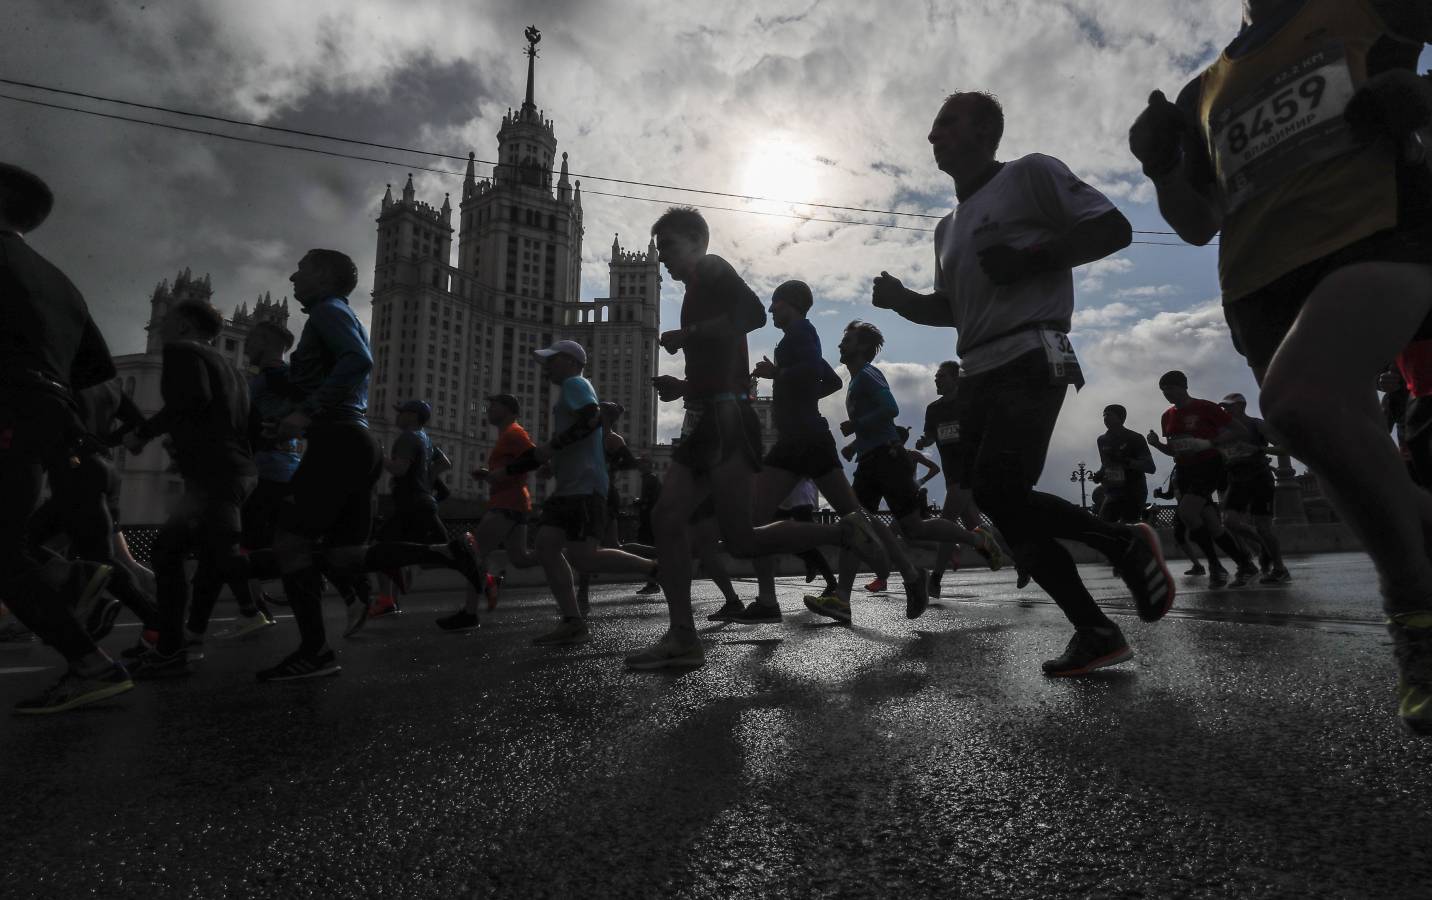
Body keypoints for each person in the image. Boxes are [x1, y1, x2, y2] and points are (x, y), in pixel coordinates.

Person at [1130, 0, 1432, 731]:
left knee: (1297, 403)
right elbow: (1197, 222)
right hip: (1259, 288)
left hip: (1378, 239)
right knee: (1363, 473)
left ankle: (1417, 628)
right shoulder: (1207, 86)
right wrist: (1161, 165)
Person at [873, 91, 1174, 677]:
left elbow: (1113, 228)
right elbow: (954, 308)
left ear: (987, 131)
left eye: (946, 124)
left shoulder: (1031, 173)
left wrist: (1032, 256)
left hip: (1036, 351)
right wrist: (906, 303)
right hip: (979, 367)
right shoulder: (945, 227)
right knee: (1001, 503)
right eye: (931, 128)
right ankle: (1096, 627)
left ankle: (1121, 548)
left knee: (1000, 489)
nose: (933, 136)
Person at [633, 209, 887, 669]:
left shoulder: (711, 269)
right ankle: (846, 530)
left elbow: (750, 314)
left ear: (694, 241)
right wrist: (683, 387)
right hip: (713, 413)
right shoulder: (696, 290)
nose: (662, 257)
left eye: (667, 245)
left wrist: (687, 334)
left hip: (727, 420)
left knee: (693, 524)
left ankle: (684, 636)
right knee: (724, 535)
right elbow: (723, 367)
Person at [256, 250, 485, 681]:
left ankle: (314, 651)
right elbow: (329, 374)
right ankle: (446, 552)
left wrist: (307, 413)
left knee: (290, 543)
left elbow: (359, 361)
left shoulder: (327, 311)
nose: (292, 274)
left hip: (337, 442)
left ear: (324, 276)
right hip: (353, 442)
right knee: (345, 555)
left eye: (302, 269)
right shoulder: (334, 313)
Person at [0, 162, 133, 714]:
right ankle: (72, 597)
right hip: (44, 411)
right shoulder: (63, 283)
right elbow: (97, 375)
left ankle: (88, 654)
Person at [735, 279, 919, 625]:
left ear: (788, 303)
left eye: (775, 303)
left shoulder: (800, 333)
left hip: (798, 439)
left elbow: (805, 373)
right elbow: (830, 381)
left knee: (755, 517)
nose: (771, 310)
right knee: (858, 514)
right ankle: (910, 574)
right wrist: (797, 393)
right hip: (812, 435)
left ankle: (768, 600)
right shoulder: (803, 336)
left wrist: (778, 375)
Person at [823, 321, 1004, 621]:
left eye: (848, 340)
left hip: (888, 459)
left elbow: (890, 409)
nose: (841, 345)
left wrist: (857, 426)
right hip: (871, 459)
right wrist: (856, 445)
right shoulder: (857, 380)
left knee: (913, 528)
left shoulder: (868, 375)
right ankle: (842, 598)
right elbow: (881, 424)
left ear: (863, 348)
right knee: (854, 526)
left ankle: (978, 539)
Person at [123, 301, 257, 678]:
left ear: (183, 325)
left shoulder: (181, 352)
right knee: (201, 554)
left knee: (174, 554)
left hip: (213, 475)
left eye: (166, 321)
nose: (160, 327)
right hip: (237, 471)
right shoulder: (232, 368)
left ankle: (174, 646)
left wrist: (143, 433)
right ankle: (179, 643)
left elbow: (189, 402)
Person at [505, 340, 658, 645]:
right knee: (548, 546)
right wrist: (550, 461)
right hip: (571, 487)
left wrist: (552, 448)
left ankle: (656, 569)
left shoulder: (576, 383)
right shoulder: (568, 393)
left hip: (585, 488)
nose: (546, 366)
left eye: (553, 360)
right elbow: (580, 434)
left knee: (584, 557)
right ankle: (572, 620)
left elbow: (591, 419)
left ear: (573, 362)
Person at [436, 393, 540, 631]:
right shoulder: (507, 435)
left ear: (510, 410)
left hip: (507, 503)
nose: (489, 409)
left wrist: (503, 474)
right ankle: (555, 554)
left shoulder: (515, 433)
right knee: (520, 558)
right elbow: (515, 467)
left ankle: (470, 613)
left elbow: (533, 457)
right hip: (515, 501)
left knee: (472, 552)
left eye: (495, 405)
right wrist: (489, 474)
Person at [1146, 371, 1259, 587]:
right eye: (1163, 390)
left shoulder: (1205, 408)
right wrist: (1157, 445)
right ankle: (1244, 564)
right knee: (1213, 525)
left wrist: (1209, 443)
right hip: (1184, 470)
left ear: (1184, 387)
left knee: (1187, 513)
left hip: (1208, 466)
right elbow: (1175, 451)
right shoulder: (1167, 416)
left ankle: (1216, 566)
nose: (1167, 394)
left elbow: (1239, 430)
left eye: (1171, 388)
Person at [370, 399, 452, 620]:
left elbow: (399, 469)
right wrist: (426, 481)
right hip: (420, 503)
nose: (397, 416)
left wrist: (378, 456)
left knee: (381, 548)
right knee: (433, 551)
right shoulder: (424, 438)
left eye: (402, 412)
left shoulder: (407, 437)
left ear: (413, 416)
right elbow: (445, 463)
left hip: (412, 504)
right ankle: (390, 599)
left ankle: (387, 599)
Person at [1217, 392, 1293, 583]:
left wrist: (1260, 449)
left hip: (1259, 478)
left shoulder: (1257, 425)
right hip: (1236, 479)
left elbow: (1285, 447)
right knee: (1229, 522)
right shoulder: (1223, 430)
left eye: (1229, 406)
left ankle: (1279, 568)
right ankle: (1262, 550)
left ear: (1241, 406)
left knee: (1263, 527)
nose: (1225, 410)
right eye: (1223, 407)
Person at [1091, 404, 1157, 524]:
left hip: (1134, 490)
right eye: (1104, 415)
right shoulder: (1102, 440)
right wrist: (1099, 474)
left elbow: (1150, 467)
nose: (1105, 418)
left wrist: (1126, 461)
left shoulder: (1135, 438)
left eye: (1109, 415)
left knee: (1128, 527)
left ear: (1120, 418)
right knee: (1104, 527)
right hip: (1113, 491)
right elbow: (1106, 464)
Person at [634, 457, 662, 595]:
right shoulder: (650, 478)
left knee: (648, 550)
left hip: (649, 520)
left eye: (642, 463)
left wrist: (639, 503)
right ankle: (652, 582)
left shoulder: (650, 479)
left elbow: (650, 500)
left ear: (648, 465)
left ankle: (653, 582)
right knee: (649, 549)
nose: (639, 465)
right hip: (651, 519)